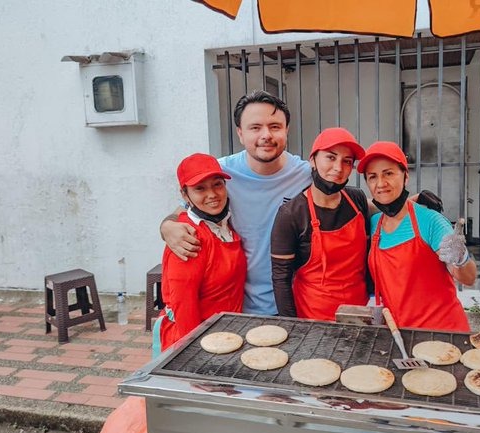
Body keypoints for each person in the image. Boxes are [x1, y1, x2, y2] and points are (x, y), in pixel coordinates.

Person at [160, 90, 442, 316]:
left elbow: (357, 204)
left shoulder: (305, 172)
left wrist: (413, 202)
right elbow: (190, 209)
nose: (266, 135)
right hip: (242, 306)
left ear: (286, 130)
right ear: (240, 133)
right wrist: (167, 227)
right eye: (255, 127)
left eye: (274, 126)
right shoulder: (222, 174)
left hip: (298, 302)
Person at [359, 141, 476, 332]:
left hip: (442, 333)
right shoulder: (374, 225)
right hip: (397, 333)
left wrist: (460, 258)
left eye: (388, 173)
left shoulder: (431, 221)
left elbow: (469, 278)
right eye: (373, 177)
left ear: (406, 176)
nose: (381, 183)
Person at [152, 153, 247, 357]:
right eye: (200, 188)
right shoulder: (187, 236)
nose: (212, 194)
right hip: (196, 340)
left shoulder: (223, 225)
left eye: (217, 184)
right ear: (185, 195)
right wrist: (195, 355)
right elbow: (183, 306)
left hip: (226, 334)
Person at [271, 127, 369, 320]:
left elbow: (387, 212)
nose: (338, 168)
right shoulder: (291, 214)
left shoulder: (357, 200)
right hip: (313, 318)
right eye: (331, 158)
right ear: (313, 160)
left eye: (347, 161)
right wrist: (293, 327)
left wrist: (414, 201)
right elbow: (281, 280)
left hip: (358, 312)